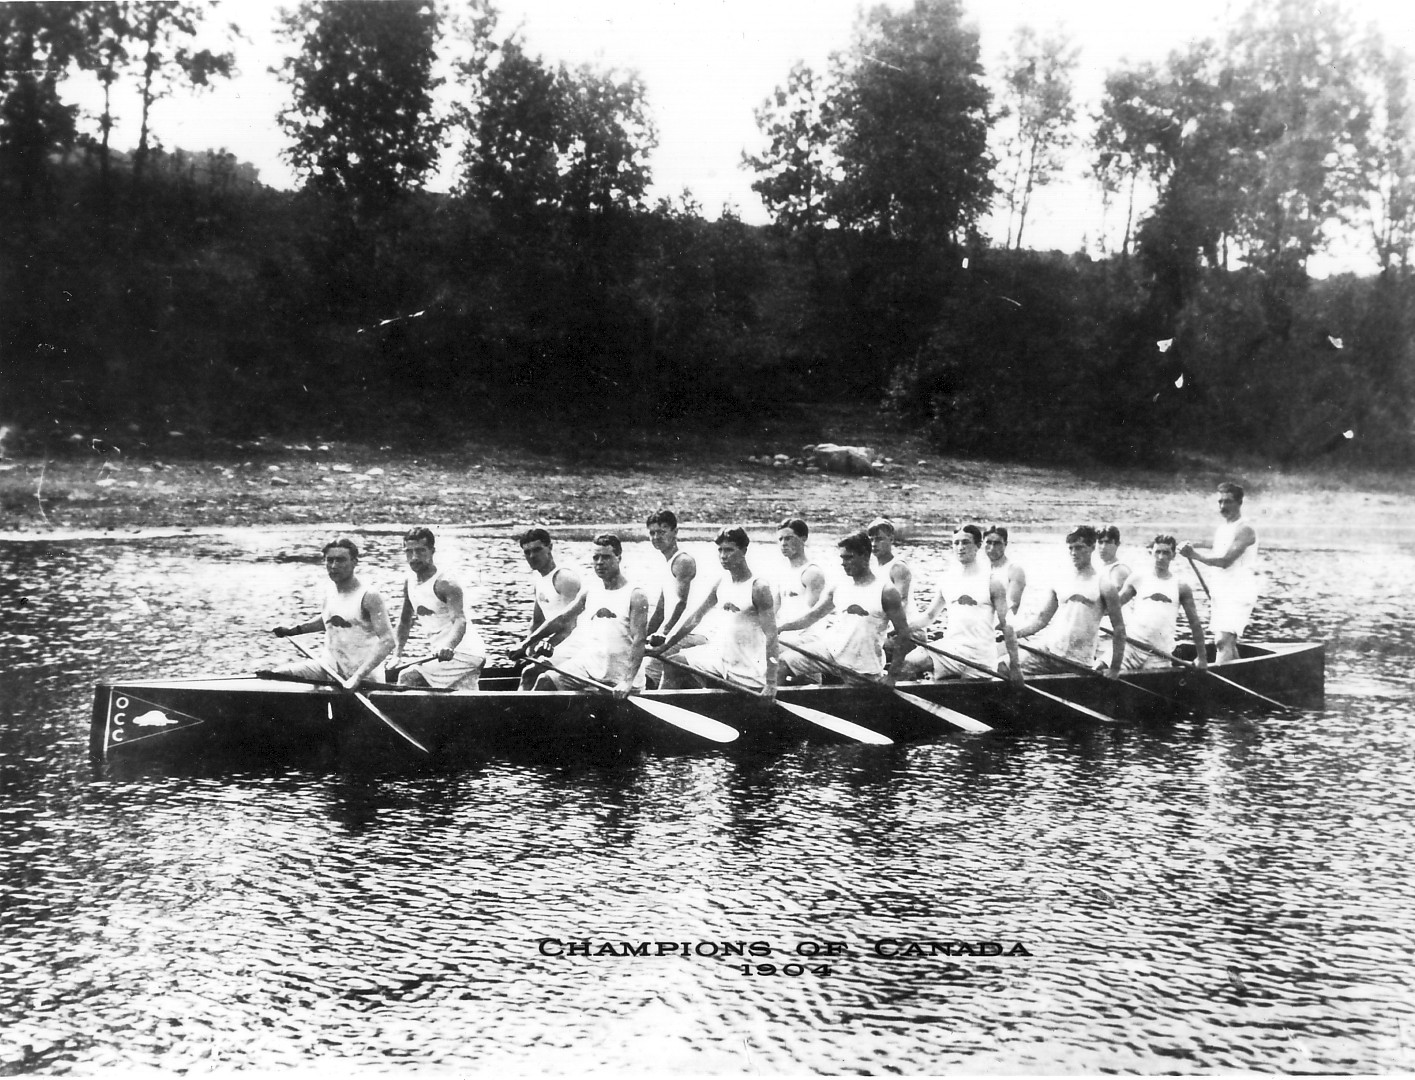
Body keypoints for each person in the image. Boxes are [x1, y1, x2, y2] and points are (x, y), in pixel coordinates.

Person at [651, 526, 780, 699]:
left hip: (748, 668)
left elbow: (772, 636)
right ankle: (663, 711)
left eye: (729, 550)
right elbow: (694, 618)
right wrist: (664, 647)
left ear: (743, 551)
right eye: (720, 550)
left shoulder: (758, 587)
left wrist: (771, 683)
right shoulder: (722, 582)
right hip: (721, 660)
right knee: (674, 663)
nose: (723, 556)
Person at [777, 530, 911, 686]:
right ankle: (770, 707)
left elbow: (903, 633)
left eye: (849, 557)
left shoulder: (886, 591)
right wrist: (782, 627)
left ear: (865, 556)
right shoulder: (838, 586)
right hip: (829, 654)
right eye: (842, 558)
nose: (843, 563)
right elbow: (812, 616)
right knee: (782, 663)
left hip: (861, 666)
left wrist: (892, 677)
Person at [524, 533, 648, 698]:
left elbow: (639, 640)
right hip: (590, 668)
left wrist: (628, 681)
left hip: (622, 676)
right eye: (595, 557)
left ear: (619, 557)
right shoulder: (590, 591)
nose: (599, 563)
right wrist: (525, 644)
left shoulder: (635, 594)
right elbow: (561, 619)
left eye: (606, 557)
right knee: (545, 681)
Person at [267, 538, 396, 689]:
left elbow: (388, 641)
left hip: (363, 679)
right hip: (329, 669)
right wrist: (292, 630)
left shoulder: (369, 596)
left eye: (341, 560)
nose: (334, 566)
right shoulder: (330, 592)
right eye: (330, 560)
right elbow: (328, 620)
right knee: (274, 677)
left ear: (354, 562)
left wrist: (357, 677)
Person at [904, 524, 1022, 683]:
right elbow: (930, 616)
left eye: (965, 542)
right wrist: (903, 627)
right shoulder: (947, 579)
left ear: (978, 546)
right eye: (956, 543)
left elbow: (1007, 625)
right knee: (907, 663)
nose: (960, 547)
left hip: (979, 657)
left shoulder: (992, 582)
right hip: (951, 651)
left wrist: (1015, 667)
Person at [1013, 525, 1127, 679]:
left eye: (1079, 548)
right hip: (1049, 652)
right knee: (1005, 667)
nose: (1074, 553)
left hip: (1077, 662)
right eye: (1071, 548)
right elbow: (1041, 619)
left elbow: (1119, 628)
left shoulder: (1104, 585)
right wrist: (1015, 634)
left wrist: (1114, 668)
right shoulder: (1061, 579)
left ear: (1092, 547)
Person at [391, 528, 486, 690]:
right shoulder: (409, 582)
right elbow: (404, 622)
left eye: (420, 551)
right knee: (463, 702)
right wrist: (396, 655)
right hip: (442, 655)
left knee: (408, 677)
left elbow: (460, 620)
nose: (414, 557)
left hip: (464, 652)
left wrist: (448, 646)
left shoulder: (446, 583)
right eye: (409, 552)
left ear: (432, 551)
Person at [1181, 482, 1260, 664]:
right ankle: (1243, 681)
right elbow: (1215, 545)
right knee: (1228, 643)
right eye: (1220, 502)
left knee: (1222, 641)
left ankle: (1219, 691)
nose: (1223, 506)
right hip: (1222, 593)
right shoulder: (1223, 528)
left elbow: (1225, 561)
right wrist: (1191, 544)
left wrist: (1194, 555)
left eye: (1228, 502)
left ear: (1239, 503)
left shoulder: (1245, 529)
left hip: (1238, 593)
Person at [1117, 535, 1209, 671]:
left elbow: (1195, 624)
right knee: (1102, 671)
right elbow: (1113, 606)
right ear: (1151, 553)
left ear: (1173, 556)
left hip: (1160, 655)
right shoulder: (1138, 578)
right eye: (1157, 552)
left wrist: (1202, 658)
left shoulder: (1181, 586)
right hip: (1131, 648)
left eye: (1166, 553)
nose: (1160, 557)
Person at [508, 528, 584, 689]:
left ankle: (519, 713)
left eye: (537, 550)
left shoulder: (564, 578)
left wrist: (547, 646)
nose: (532, 556)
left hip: (578, 644)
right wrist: (527, 651)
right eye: (527, 552)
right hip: (557, 644)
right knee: (525, 668)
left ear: (550, 547)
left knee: (530, 673)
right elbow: (537, 623)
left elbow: (569, 624)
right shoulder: (540, 582)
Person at [642, 509, 703, 686]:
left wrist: (662, 634)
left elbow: (680, 604)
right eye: (652, 533)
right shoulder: (667, 564)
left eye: (662, 532)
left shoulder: (683, 561)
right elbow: (660, 611)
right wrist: (638, 637)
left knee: (648, 671)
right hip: (674, 633)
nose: (656, 537)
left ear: (675, 532)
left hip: (690, 634)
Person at [773, 517, 829, 684]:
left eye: (789, 538)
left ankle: (812, 679)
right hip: (787, 635)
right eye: (780, 539)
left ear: (804, 538)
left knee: (766, 650)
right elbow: (773, 610)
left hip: (809, 637)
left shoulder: (812, 573)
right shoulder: (782, 572)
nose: (783, 543)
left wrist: (781, 628)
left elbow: (812, 617)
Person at [866, 517, 914, 608]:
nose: (873, 544)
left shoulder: (898, 568)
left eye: (879, 539)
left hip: (903, 620)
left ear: (891, 539)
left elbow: (902, 604)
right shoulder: (872, 568)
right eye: (871, 540)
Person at [983, 525, 1027, 615]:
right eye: (988, 543)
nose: (992, 548)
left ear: (1005, 544)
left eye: (997, 543)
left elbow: (1013, 605)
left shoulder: (1014, 571)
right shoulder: (979, 569)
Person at [1096, 525, 1130, 591]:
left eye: (1108, 542)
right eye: (1100, 542)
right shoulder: (1097, 566)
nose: (1103, 547)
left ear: (1117, 544)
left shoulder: (1119, 570)